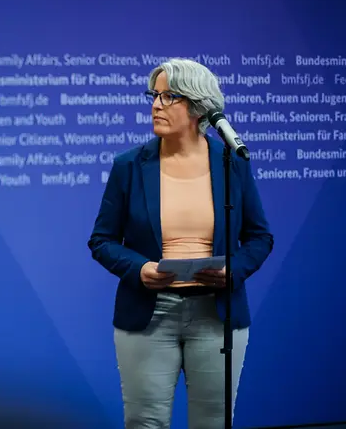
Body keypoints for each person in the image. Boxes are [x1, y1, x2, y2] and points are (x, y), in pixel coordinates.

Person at [87, 58, 274, 429]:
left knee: (213, 423)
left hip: (217, 314)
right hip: (148, 314)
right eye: (153, 95)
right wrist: (139, 269)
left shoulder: (231, 163)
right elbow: (102, 240)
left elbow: (259, 237)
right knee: (145, 423)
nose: (155, 105)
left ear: (197, 106)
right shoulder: (129, 165)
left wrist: (233, 269)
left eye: (168, 96)